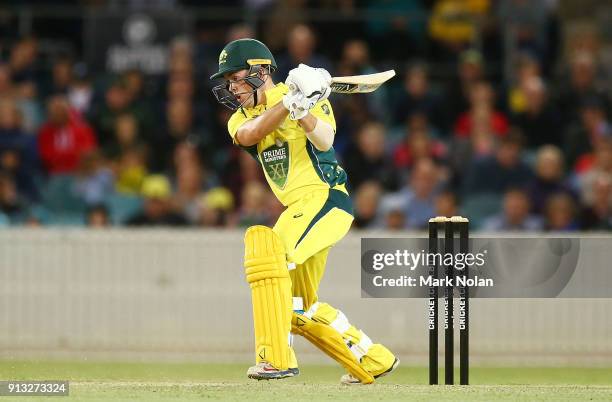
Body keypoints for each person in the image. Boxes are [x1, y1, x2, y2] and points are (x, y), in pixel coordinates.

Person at [210, 38, 397, 385]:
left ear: (260, 71)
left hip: (326, 199)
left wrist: (304, 111)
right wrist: (288, 105)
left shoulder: (307, 94)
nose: (232, 89)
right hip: (298, 208)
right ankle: (372, 359)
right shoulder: (239, 119)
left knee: (266, 252)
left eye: (236, 79)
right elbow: (251, 134)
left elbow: (326, 140)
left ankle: (275, 359)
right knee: (294, 307)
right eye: (229, 82)